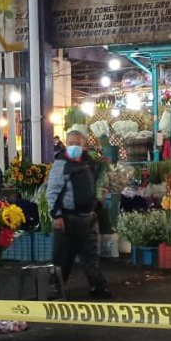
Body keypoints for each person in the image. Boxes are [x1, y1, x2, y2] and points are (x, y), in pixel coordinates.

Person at [46, 125, 112, 299]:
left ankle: (97, 286)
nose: (74, 146)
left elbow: (95, 185)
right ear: (66, 144)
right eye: (71, 143)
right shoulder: (61, 164)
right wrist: (56, 215)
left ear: (84, 146)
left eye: (78, 143)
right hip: (67, 218)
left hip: (88, 218)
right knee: (62, 257)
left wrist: (99, 199)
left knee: (91, 255)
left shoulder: (90, 162)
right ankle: (57, 289)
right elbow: (52, 191)